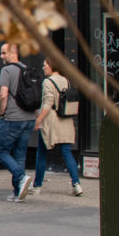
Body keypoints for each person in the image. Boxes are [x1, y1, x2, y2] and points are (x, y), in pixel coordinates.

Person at [31, 58, 83, 197]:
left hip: (52, 121)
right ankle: (76, 184)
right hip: (65, 120)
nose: (43, 68)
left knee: (41, 153)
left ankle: (37, 186)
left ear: (52, 66)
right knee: (67, 153)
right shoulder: (66, 80)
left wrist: (39, 119)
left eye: (45, 65)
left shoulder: (47, 82)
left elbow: (48, 102)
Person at [0, 42, 35, 203]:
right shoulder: (28, 70)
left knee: (1, 152)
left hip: (12, 118)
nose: (1, 56)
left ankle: (21, 178)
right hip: (29, 118)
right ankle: (17, 192)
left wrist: (1, 112)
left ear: (13, 53)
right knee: (20, 155)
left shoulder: (6, 70)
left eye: (4, 53)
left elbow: (3, 94)